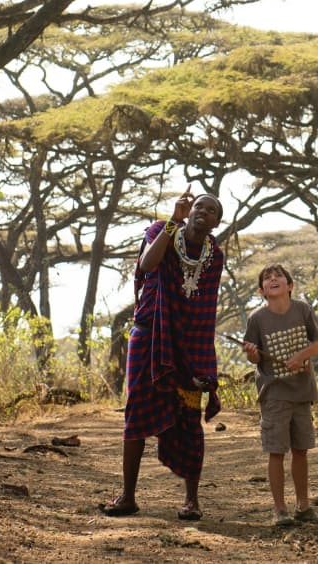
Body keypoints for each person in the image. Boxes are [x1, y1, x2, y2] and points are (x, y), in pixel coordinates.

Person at [101, 188, 225, 521]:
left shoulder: (215, 255)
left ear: (216, 222)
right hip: (147, 336)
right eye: (198, 205)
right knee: (136, 412)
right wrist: (174, 221)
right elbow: (147, 263)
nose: (202, 211)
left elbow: (205, 310)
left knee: (189, 419)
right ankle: (127, 496)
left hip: (188, 346)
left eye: (210, 210)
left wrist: (203, 362)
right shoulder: (160, 231)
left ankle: (191, 501)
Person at [242, 264, 318, 527]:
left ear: (290, 286)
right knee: (276, 451)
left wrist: (300, 357)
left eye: (278, 276)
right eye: (267, 278)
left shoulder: (302, 309)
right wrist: (252, 353)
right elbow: (252, 356)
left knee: (301, 450)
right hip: (274, 394)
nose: (273, 279)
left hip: (302, 392)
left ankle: (304, 506)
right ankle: (280, 510)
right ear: (262, 291)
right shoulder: (256, 319)